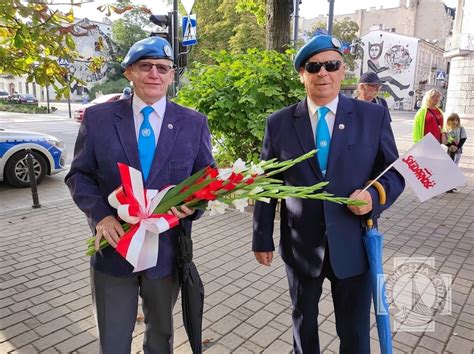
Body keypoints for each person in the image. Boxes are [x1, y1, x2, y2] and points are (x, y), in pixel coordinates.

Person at [252, 34, 405, 354]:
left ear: (342, 70)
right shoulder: (279, 123)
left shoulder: (371, 117)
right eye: (314, 66)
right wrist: (261, 237)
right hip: (300, 244)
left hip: (353, 242)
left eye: (331, 65)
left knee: (354, 329)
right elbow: (267, 184)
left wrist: (374, 198)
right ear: (302, 74)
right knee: (302, 321)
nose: (323, 73)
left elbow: (394, 173)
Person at [65, 36, 214, 353]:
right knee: (114, 338)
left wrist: (193, 205)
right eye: (145, 66)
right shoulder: (99, 119)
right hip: (113, 248)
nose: (154, 74)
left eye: (163, 67)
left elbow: (206, 180)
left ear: (172, 75)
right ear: (130, 72)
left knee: (161, 338)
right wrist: (100, 216)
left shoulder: (193, 123)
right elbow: (79, 174)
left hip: (166, 252)